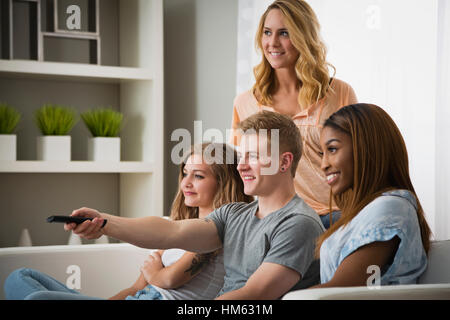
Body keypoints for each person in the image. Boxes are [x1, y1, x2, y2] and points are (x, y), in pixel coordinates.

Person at [64, 111, 324, 299]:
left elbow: (255, 295)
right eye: (242, 156)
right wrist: (104, 223)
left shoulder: (297, 223)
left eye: (253, 156)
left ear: (284, 162)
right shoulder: (234, 214)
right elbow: (172, 232)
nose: (241, 165)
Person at [4, 143, 252, 300]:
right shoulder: (177, 228)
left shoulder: (217, 234)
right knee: (19, 277)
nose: (185, 183)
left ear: (224, 182)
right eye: (184, 173)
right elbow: (135, 288)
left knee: (38, 300)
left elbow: (168, 280)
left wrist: (155, 271)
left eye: (198, 176)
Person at [230, 0, 358, 229]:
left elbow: (358, 163)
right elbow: (242, 172)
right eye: (267, 33)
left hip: (334, 216)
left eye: (284, 33)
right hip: (277, 219)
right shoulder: (245, 103)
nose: (272, 43)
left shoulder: (339, 93)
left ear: (303, 37)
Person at [313, 103, 431, 287]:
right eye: (322, 153)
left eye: (333, 149)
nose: (323, 164)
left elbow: (342, 288)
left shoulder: (390, 207)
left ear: (366, 147)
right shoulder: (366, 212)